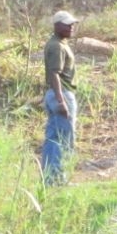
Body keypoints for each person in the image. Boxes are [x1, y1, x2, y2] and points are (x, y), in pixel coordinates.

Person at [42, 10, 79, 184]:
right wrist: (60, 100)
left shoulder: (59, 44)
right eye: (67, 24)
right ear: (57, 25)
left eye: (72, 24)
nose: (71, 27)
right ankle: (56, 178)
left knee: (54, 137)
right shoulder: (56, 46)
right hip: (61, 93)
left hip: (58, 93)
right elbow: (54, 74)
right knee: (62, 138)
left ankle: (51, 177)